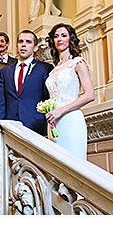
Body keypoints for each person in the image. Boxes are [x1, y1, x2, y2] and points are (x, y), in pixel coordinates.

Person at [44, 23, 95, 159]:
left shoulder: (78, 63)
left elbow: (90, 95)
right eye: (56, 36)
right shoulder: (54, 69)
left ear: (70, 39)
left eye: (63, 35)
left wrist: (60, 111)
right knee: (56, 163)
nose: (59, 39)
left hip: (70, 119)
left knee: (73, 162)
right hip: (54, 122)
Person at [0, 30, 53, 136]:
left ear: (35, 48)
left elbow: (48, 98)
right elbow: (1, 103)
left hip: (36, 126)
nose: (23, 45)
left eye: (28, 42)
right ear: (17, 46)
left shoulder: (44, 68)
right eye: (21, 41)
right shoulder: (6, 71)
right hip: (11, 127)